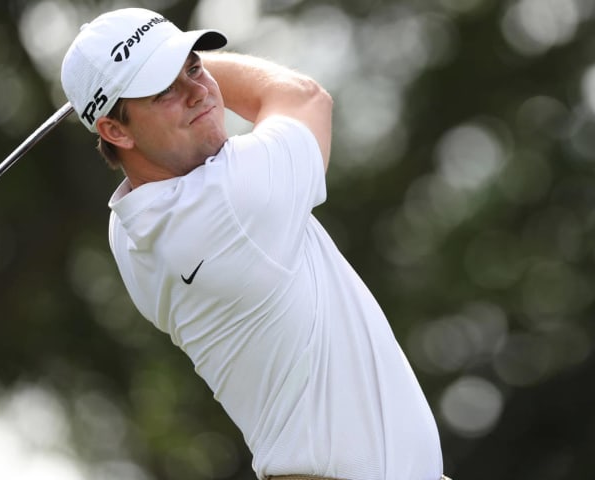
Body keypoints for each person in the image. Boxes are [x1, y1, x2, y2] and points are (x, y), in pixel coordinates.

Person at [60, 7, 447, 480]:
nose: (199, 93)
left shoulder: (128, 231)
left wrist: (152, 68)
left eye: (195, 67)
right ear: (115, 131)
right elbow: (303, 96)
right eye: (165, 90)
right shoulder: (232, 201)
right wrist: (177, 57)